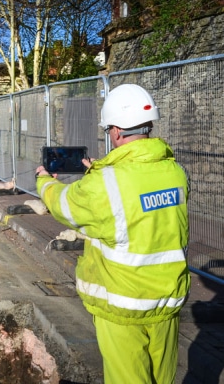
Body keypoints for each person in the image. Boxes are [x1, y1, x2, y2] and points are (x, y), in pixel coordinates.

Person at [36, 84, 190, 384]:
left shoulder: (105, 184)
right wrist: (101, 174)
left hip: (124, 307)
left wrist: (45, 183)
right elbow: (139, 208)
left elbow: (65, 206)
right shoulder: (175, 171)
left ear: (116, 131)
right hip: (167, 300)